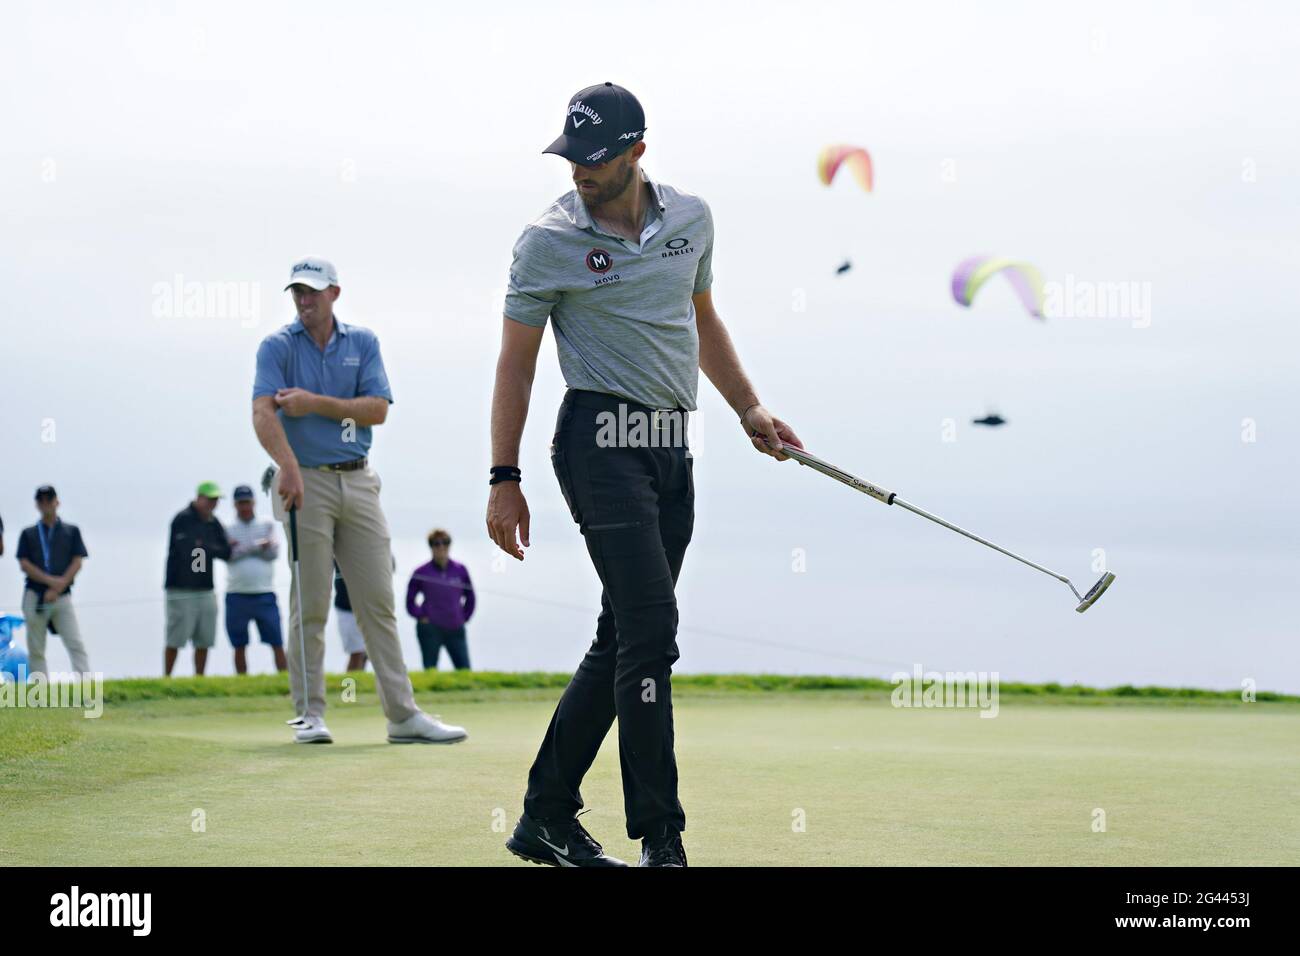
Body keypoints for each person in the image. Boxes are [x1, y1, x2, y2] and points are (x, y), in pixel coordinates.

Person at [487, 83, 802, 867]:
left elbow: (702, 320)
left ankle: (545, 816)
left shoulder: (691, 220)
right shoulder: (546, 242)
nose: (579, 174)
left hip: (671, 444)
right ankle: (664, 840)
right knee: (653, 632)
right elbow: (517, 367)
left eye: (595, 160)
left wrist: (749, 409)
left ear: (637, 151)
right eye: (571, 159)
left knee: (625, 632)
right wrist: (504, 475)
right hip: (598, 441)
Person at [252, 256, 466, 745]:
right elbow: (263, 413)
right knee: (309, 603)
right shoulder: (277, 347)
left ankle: (403, 716)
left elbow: (377, 410)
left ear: (334, 294)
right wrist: (286, 465)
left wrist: (312, 404)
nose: (304, 301)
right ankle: (310, 714)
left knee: (378, 602)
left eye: (312, 292)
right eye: (297, 293)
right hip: (301, 480)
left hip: (360, 481)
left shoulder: (363, 343)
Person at [15, 485, 90, 677]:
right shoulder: (28, 533)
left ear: (57, 502)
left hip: (62, 597)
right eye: (41, 500)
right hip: (35, 596)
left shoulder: (71, 531)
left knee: (75, 643)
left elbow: (77, 561)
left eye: (49, 499)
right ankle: (41, 693)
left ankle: (86, 688)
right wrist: (50, 582)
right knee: (37, 648)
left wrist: (59, 586)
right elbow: (24, 563)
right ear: (37, 504)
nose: (46, 504)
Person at [164, 481, 231, 676]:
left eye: (216, 500)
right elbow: (191, 553)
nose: (213, 504)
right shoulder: (182, 519)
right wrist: (206, 548)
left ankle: (199, 679)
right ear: (199, 498)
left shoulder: (213, 522)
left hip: (205, 589)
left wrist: (204, 547)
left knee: (205, 638)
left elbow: (225, 551)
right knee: (176, 637)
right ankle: (166, 678)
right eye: (210, 500)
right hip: (181, 588)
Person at [225, 484, 287, 674]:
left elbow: (273, 553)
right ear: (235, 505)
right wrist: (257, 546)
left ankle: (286, 681)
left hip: (264, 593)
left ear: (253, 503)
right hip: (237, 593)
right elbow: (227, 555)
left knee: (277, 641)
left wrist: (242, 548)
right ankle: (243, 682)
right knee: (239, 644)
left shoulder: (267, 523)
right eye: (240, 503)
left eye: (247, 502)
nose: (244, 507)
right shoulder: (227, 527)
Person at [406, 529, 475, 670]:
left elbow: (470, 597)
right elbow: (410, 601)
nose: (441, 547)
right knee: (430, 670)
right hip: (430, 629)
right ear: (431, 546)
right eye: (436, 543)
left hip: (455, 627)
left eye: (445, 542)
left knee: (464, 670)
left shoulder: (460, 569)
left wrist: (464, 617)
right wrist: (422, 616)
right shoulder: (421, 572)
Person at [333, 563, 367, 672]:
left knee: (365, 654)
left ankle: (358, 685)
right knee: (356, 654)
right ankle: (349, 689)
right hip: (346, 610)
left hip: (366, 609)